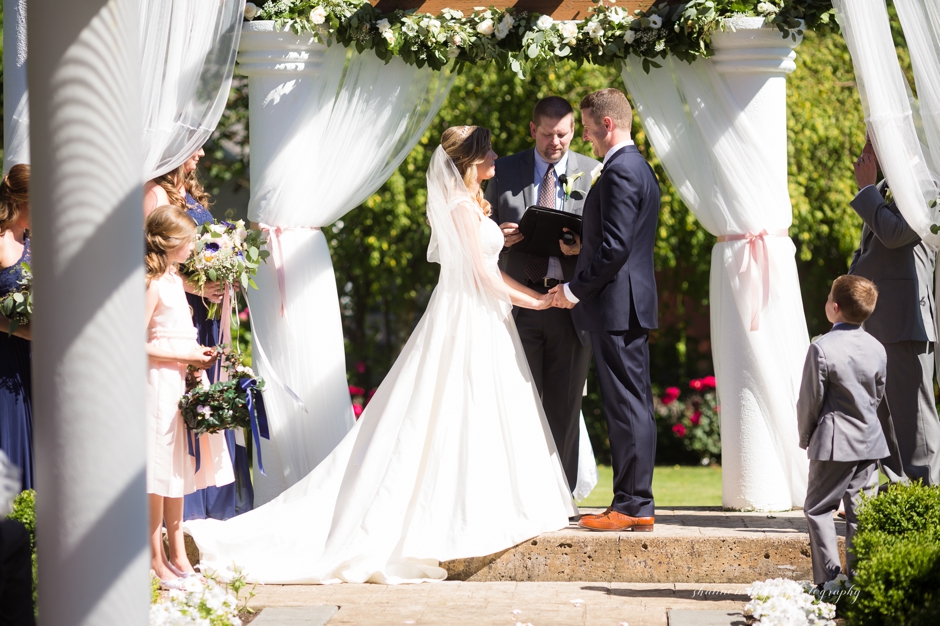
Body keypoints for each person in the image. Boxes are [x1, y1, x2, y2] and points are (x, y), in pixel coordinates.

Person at [184, 127, 577, 584]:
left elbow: (479, 262)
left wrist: (500, 241)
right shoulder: (460, 207)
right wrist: (539, 300)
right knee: (456, 407)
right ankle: (464, 511)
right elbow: (482, 278)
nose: (495, 156)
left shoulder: (470, 205)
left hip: (480, 317)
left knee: (476, 409)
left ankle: (486, 501)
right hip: (469, 314)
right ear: (471, 160)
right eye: (487, 150)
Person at [550, 88, 660, 532]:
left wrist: (574, 289)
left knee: (627, 407)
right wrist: (583, 245)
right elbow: (619, 240)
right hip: (626, 304)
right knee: (632, 405)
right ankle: (636, 503)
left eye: (590, 130)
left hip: (617, 307)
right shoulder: (637, 168)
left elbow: (616, 249)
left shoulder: (619, 172)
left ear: (607, 125)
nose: (589, 140)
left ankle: (633, 505)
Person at [484, 96, 599, 493]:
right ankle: (519, 493)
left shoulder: (594, 170)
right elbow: (474, 229)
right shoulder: (502, 170)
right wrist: (497, 236)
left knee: (565, 408)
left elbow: (607, 241)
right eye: (547, 134)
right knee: (516, 405)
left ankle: (561, 496)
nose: (556, 142)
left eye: (564, 134)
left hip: (569, 306)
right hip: (518, 304)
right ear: (533, 130)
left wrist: (580, 246)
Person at [145, 148, 254, 519]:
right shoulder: (153, 193)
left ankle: (218, 503)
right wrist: (199, 289)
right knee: (187, 407)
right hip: (181, 315)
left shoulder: (187, 190)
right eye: (195, 145)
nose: (203, 152)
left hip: (205, 313)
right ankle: (188, 510)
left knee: (210, 400)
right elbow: (148, 259)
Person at [145, 205, 232, 586]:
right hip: (158, 383)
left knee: (176, 469)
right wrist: (187, 355)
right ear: (170, 244)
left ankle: (178, 555)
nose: (195, 245)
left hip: (180, 379)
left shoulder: (173, 278)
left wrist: (198, 361)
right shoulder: (150, 283)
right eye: (189, 240)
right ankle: (155, 558)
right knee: (157, 469)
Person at [848, 137, 940, 486]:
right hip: (875, 322)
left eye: (872, 139)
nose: (865, 149)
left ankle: (929, 501)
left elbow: (896, 234)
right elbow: (871, 251)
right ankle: (899, 495)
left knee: (916, 421)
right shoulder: (886, 187)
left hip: (906, 321)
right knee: (883, 421)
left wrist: (868, 188)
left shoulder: (925, 184)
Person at [797, 275, 888, 585]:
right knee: (861, 513)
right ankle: (861, 583)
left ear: (833, 307)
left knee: (819, 508)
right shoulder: (877, 348)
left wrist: (806, 436)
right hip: (870, 442)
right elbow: (877, 396)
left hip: (835, 443)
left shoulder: (821, 348)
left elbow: (810, 401)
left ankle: (830, 583)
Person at [0, 165, 34, 492]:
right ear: (19, 200)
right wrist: (22, 330)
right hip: (6, 358)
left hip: (35, 358)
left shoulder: (31, 237)